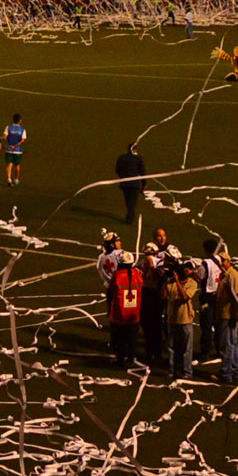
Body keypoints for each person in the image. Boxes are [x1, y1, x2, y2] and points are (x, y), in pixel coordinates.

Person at [103, 237, 142, 368]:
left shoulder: (118, 275)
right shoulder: (137, 274)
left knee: (119, 338)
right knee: (131, 338)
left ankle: (120, 358)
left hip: (119, 313)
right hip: (134, 313)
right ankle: (131, 357)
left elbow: (111, 290)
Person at [214, 252, 238, 383]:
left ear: (229, 261)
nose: (221, 264)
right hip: (226, 313)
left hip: (228, 315)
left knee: (226, 345)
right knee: (232, 344)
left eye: (223, 261)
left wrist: (237, 313)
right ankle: (235, 371)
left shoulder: (233, 275)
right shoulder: (225, 274)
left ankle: (226, 373)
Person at [164, 255, 198, 379]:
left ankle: (186, 371)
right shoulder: (171, 283)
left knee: (186, 348)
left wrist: (177, 282)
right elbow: (163, 295)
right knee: (172, 347)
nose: (185, 270)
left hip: (185, 319)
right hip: (172, 318)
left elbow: (185, 297)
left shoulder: (192, 283)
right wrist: (166, 280)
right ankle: (172, 370)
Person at [115, 142, 146, 224]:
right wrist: (144, 185)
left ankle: (129, 216)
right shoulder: (138, 159)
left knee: (128, 200)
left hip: (124, 183)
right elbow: (142, 172)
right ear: (135, 149)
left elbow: (117, 170)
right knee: (132, 202)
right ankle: (129, 218)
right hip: (134, 184)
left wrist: (122, 176)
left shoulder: (121, 158)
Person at [2, 114, 27, 187]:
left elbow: (4, 137)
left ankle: (9, 179)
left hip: (8, 149)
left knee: (9, 164)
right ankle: (16, 179)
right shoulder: (22, 129)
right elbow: (23, 140)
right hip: (18, 150)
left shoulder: (8, 127)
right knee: (17, 165)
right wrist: (15, 146)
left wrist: (9, 143)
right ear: (20, 121)